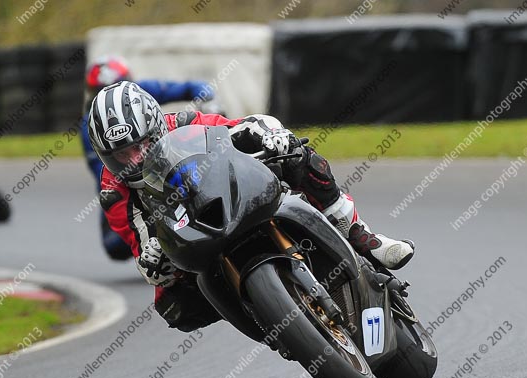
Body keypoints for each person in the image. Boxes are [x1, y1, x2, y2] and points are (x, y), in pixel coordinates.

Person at [87, 81, 415, 332]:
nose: (137, 158)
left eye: (142, 144)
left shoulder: (183, 123)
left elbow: (238, 128)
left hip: (232, 196)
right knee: (176, 310)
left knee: (296, 155)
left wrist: (268, 134)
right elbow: (140, 245)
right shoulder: (114, 190)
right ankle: (267, 315)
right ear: (106, 157)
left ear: (157, 126)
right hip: (189, 240)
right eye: (122, 154)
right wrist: (155, 262)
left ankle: (361, 235)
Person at [79, 56, 216, 260]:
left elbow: (192, 87)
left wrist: (209, 101)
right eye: (101, 93)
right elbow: (107, 172)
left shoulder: (140, 92)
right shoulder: (91, 127)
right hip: (131, 191)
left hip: (165, 168)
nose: (113, 111)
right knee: (115, 246)